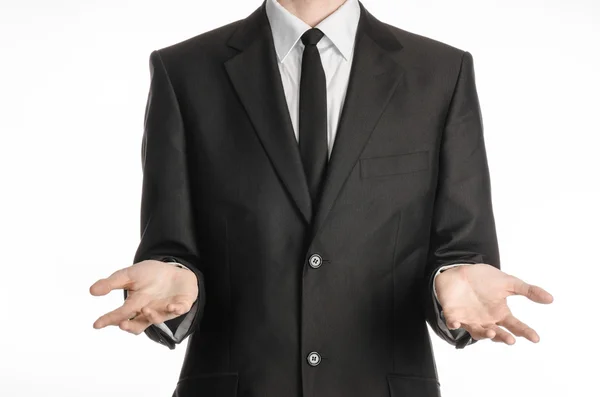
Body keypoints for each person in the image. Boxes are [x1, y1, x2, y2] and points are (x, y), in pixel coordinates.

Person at [89, 0, 554, 396]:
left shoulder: (440, 71)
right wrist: (173, 281)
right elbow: (170, 246)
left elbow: (462, 246)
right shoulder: (185, 69)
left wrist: (455, 277)